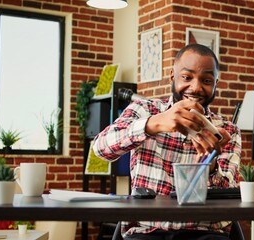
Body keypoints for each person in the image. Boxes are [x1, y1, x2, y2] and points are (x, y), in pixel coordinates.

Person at [92, 44, 242, 240]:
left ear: (215, 84)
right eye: (186, 77)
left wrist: (211, 165)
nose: (196, 87)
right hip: (146, 231)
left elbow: (230, 197)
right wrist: (153, 124)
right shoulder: (144, 110)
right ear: (173, 76)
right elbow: (100, 149)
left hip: (205, 232)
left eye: (206, 80)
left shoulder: (227, 131)